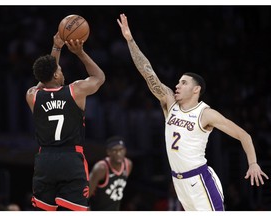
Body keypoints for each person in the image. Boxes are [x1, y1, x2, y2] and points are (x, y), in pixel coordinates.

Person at [117, 13, 269, 211]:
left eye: (183, 82)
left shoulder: (205, 114)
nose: (177, 85)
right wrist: (130, 40)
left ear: (196, 89)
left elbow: (244, 135)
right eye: (178, 82)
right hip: (178, 182)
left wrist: (253, 163)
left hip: (200, 181)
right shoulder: (169, 102)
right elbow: (148, 72)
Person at [25, 32, 105, 211]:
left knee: (44, 210)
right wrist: (80, 52)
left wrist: (56, 48)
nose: (62, 70)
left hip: (45, 160)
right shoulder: (75, 91)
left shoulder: (32, 96)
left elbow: (43, 81)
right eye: (59, 70)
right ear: (55, 75)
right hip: (71, 159)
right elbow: (100, 78)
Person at [89, 136, 133, 210]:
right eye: (115, 150)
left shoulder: (128, 165)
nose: (118, 153)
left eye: (121, 150)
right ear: (108, 152)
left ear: (125, 150)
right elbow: (85, 195)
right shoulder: (101, 168)